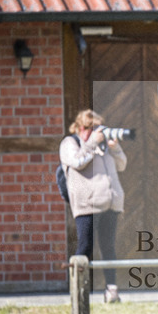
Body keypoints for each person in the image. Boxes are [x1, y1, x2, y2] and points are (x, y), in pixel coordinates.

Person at [60, 109, 127, 303]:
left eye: (99, 128)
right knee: (85, 246)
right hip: (87, 203)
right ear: (82, 128)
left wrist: (114, 148)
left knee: (108, 247)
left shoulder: (103, 145)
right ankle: (79, 291)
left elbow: (121, 165)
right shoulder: (70, 143)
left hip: (111, 201)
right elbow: (77, 162)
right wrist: (91, 144)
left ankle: (111, 291)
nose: (99, 132)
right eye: (93, 128)